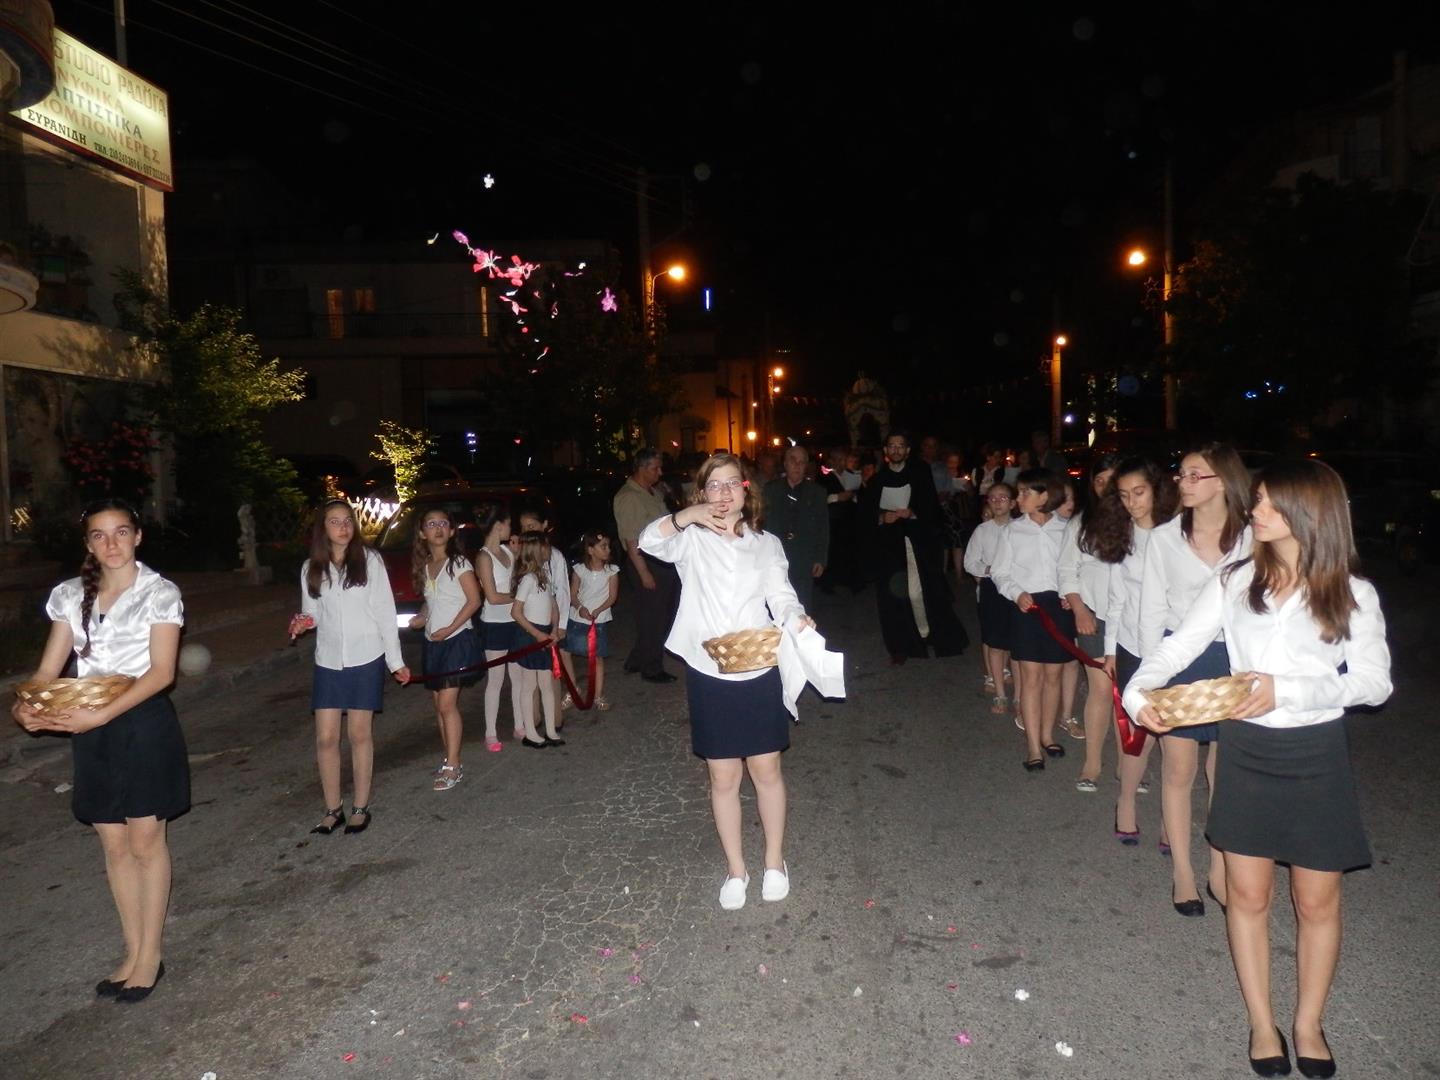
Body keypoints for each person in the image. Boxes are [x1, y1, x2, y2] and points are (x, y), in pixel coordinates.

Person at [1125, 459, 1391, 1079]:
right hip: (1246, 750)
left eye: (1270, 503)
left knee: (1317, 900)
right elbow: (1180, 643)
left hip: (1315, 753)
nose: (1256, 511)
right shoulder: (1236, 578)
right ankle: (1261, 1020)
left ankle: (1308, 1023)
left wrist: (1287, 690)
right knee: (1246, 895)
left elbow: (1375, 683)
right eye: (1259, 500)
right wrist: (1138, 693)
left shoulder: (1351, 591)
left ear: (1310, 512)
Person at [12, 499, 187, 1002]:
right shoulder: (70, 596)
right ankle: (131, 951)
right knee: (114, 845)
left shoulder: (160, 594)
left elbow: (162, 673)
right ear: (88, 544)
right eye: (99, 535)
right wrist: (25, 707)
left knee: (146, 842)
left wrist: (102, 716)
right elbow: (47, 672)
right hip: (91, 725)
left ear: (138, 536)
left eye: (121, 532)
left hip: (141, 723)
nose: (111, 543)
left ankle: (151, 955)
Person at [639, 453, 815, 910]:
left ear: (745, 490)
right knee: (722, 776)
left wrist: (797, 619)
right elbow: (648, 541)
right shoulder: (691, 540)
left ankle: (774, 861)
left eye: (731, 483)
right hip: (709, 668)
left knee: (767, 770)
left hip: (759, 665)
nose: (723, 492)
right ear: (702, 494)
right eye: (713, 485)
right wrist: (687, 516)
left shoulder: (766, 543)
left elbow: (781, 595)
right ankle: (736, 869)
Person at [1139, 443, 1253, 917]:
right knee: (1179, 770)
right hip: (1180, 659)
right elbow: (1151, 611)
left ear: (1222, 481)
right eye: (1180, 474)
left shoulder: (1252, 536)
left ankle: (1220, 867)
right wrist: (1149, 680)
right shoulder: (1164, 538)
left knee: (1224, 775)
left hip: (1235, 661)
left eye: (1193, 475)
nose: (1182, 482)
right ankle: (1183, 872)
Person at [289, 499, 411, 836]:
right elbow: (312, 611)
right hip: (329, 660)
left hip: (366, 656)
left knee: (359, 734)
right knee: (326, 738)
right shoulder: (311, 567)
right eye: (335, 521)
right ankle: (333, 809)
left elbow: (385, 612)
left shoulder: (369, 560)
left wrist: (395, 661)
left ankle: (360, 806)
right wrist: (303, 621)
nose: (343, 527)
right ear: (323, 528)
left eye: (347, 520)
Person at [1100, 458, 1177, 830]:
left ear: (1156, 489)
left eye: (1139, 492)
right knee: (1138, 734)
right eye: (1124, 495)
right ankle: (1126, 802)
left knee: (1175, 740)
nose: (1132, 502)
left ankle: (1170, 818)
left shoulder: (1179, 534)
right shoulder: (1122, 536)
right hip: (1131, 644)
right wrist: (1110, 649)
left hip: (1174, 647)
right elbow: (1116, 599)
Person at [859, 431, 969, 664]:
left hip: (917, 541)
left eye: (901, 446)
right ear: (886, 451)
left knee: (919, 590)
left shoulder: (919, 474)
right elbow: (865, 514)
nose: (896, 450)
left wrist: (912, 513)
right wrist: (882, 517)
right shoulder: (878, 480)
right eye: (892, 446)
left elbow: (931, 508)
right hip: (889, 545)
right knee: (892, 596)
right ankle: (899, 646)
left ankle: (926, 634)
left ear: (907, 450)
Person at [989, 468, 1073, 769]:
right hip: (1027, 608)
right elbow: (999, 572)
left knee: (1054, 676)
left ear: (1045, 496)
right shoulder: (1012, 531)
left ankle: (1048, 735)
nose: (1019, 497)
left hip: (1058, 607)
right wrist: (1016, 593)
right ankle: (1033, 746)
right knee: (1031, 677)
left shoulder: (1066, 529)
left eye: (1026, 492)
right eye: (1020, 491)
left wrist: (1074, 595)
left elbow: (1078, 568)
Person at [408, 507, 482, 791]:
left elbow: (474, 600)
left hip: (457, 640)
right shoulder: (427, 564)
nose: (437, 528)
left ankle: (453, 765)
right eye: (431, 523)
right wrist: (422, 617)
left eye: (443, 523)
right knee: (438, 705)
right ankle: (449, 758)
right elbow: (432, 601)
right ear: (422, 532)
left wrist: (450, 629)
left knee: (447, 705)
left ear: (451, 531)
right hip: (433, 642)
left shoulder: (458, 562)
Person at [1058, 453, 1122, 772]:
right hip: (1093, 615)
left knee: (1127, 692)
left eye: (1112, 480)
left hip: (1131, 619)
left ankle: (1129, 766)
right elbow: (1066, 570)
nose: (1105, 487)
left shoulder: (1140, 521)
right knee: (1101, 688)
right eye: (1099, 481)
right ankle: (1092, 763)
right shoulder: (1080, 523)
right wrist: (1079, 609)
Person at [613, 449, 680, 683]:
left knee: (659, 614)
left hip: (662, 560)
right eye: (655, 468)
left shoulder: (652, 492)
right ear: (641, 468)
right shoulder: (629, 497)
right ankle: (651, 668)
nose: (660, 472)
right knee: (655, 618)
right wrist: (644, 573)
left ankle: (637, 659)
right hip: (646, 562)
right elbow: (631, 539)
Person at [963, 482, 1017, 714]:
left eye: (1003, 498)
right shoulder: (982, 530)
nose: (997, 502)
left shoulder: (1020, 529)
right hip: (992, 588)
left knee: (1016, 643)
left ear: (1013, 503)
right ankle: (999, 693)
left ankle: (1020, 697)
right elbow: (970, 562)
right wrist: (990, 570)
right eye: (992, 498)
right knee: (994, 641)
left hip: (1016, 589)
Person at [517, 507, 571, 728]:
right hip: (529, 626)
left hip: (549, 624)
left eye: (530, 526)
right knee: (530, 676)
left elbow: (561, 592)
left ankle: (554, 719)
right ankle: (533, 720)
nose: (526, 530)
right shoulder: (523, 557)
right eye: (523, 527)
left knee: (550, 674)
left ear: (544, 525)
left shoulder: (554, 556)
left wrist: (560, 625)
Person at [474, 504, 521, 751]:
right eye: (509, 523)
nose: (511, 528)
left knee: (518, 675)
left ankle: (520, 725)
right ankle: (490, 733)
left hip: (515, 620)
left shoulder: (508, 551)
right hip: (494, 624)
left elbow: (517, 580)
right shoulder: (484, 557)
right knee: (496, 679)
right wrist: (520, 597)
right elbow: (492, 597)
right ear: (498, 525)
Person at [510, 531, 564, 748]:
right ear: (536, 550)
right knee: (529, 685)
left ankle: (550, 730)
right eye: (546, 546)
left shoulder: (544, 576)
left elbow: (553, 606)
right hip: (529, 635)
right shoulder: (529, 579)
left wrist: (554, 629)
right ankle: (530, 733)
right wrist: (537, 634)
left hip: (545, 634)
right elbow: (516, 612)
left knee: (546, 685)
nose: (549, 549)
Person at [763, 444, 830, 609]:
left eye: (801, 462)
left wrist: (820, 558)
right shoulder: (770, 490)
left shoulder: (817, 492)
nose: (797, 466)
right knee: (775, 604)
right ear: (785, 463)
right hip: (776, 557)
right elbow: (761, 524)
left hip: (803, 559)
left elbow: (823, 527)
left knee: (802, 605)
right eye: (793, 461)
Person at [560, 530, 621, 712]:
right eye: (603, 546)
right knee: (565, 652)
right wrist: (580, 608)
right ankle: (572, 689)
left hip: (598, 621)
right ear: (590, 550)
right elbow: (573, 594)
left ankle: (597, 695)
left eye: (608, 546)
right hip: (577, 619)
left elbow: (612, 596)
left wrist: (599, 610)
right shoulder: (580, 570)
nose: (608, 549)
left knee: (597, 657)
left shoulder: (612, 571)